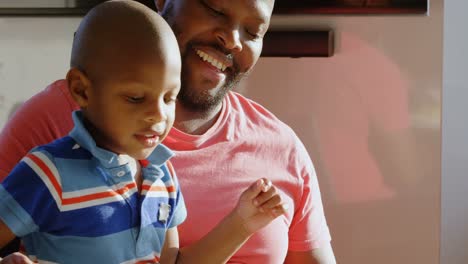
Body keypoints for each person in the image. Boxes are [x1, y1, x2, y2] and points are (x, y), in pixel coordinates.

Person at [0, 0, 336, 263]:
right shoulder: (48, 137)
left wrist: (242, 223)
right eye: (214, 7)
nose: (232, 40)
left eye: (253, 31)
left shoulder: (162, 176)